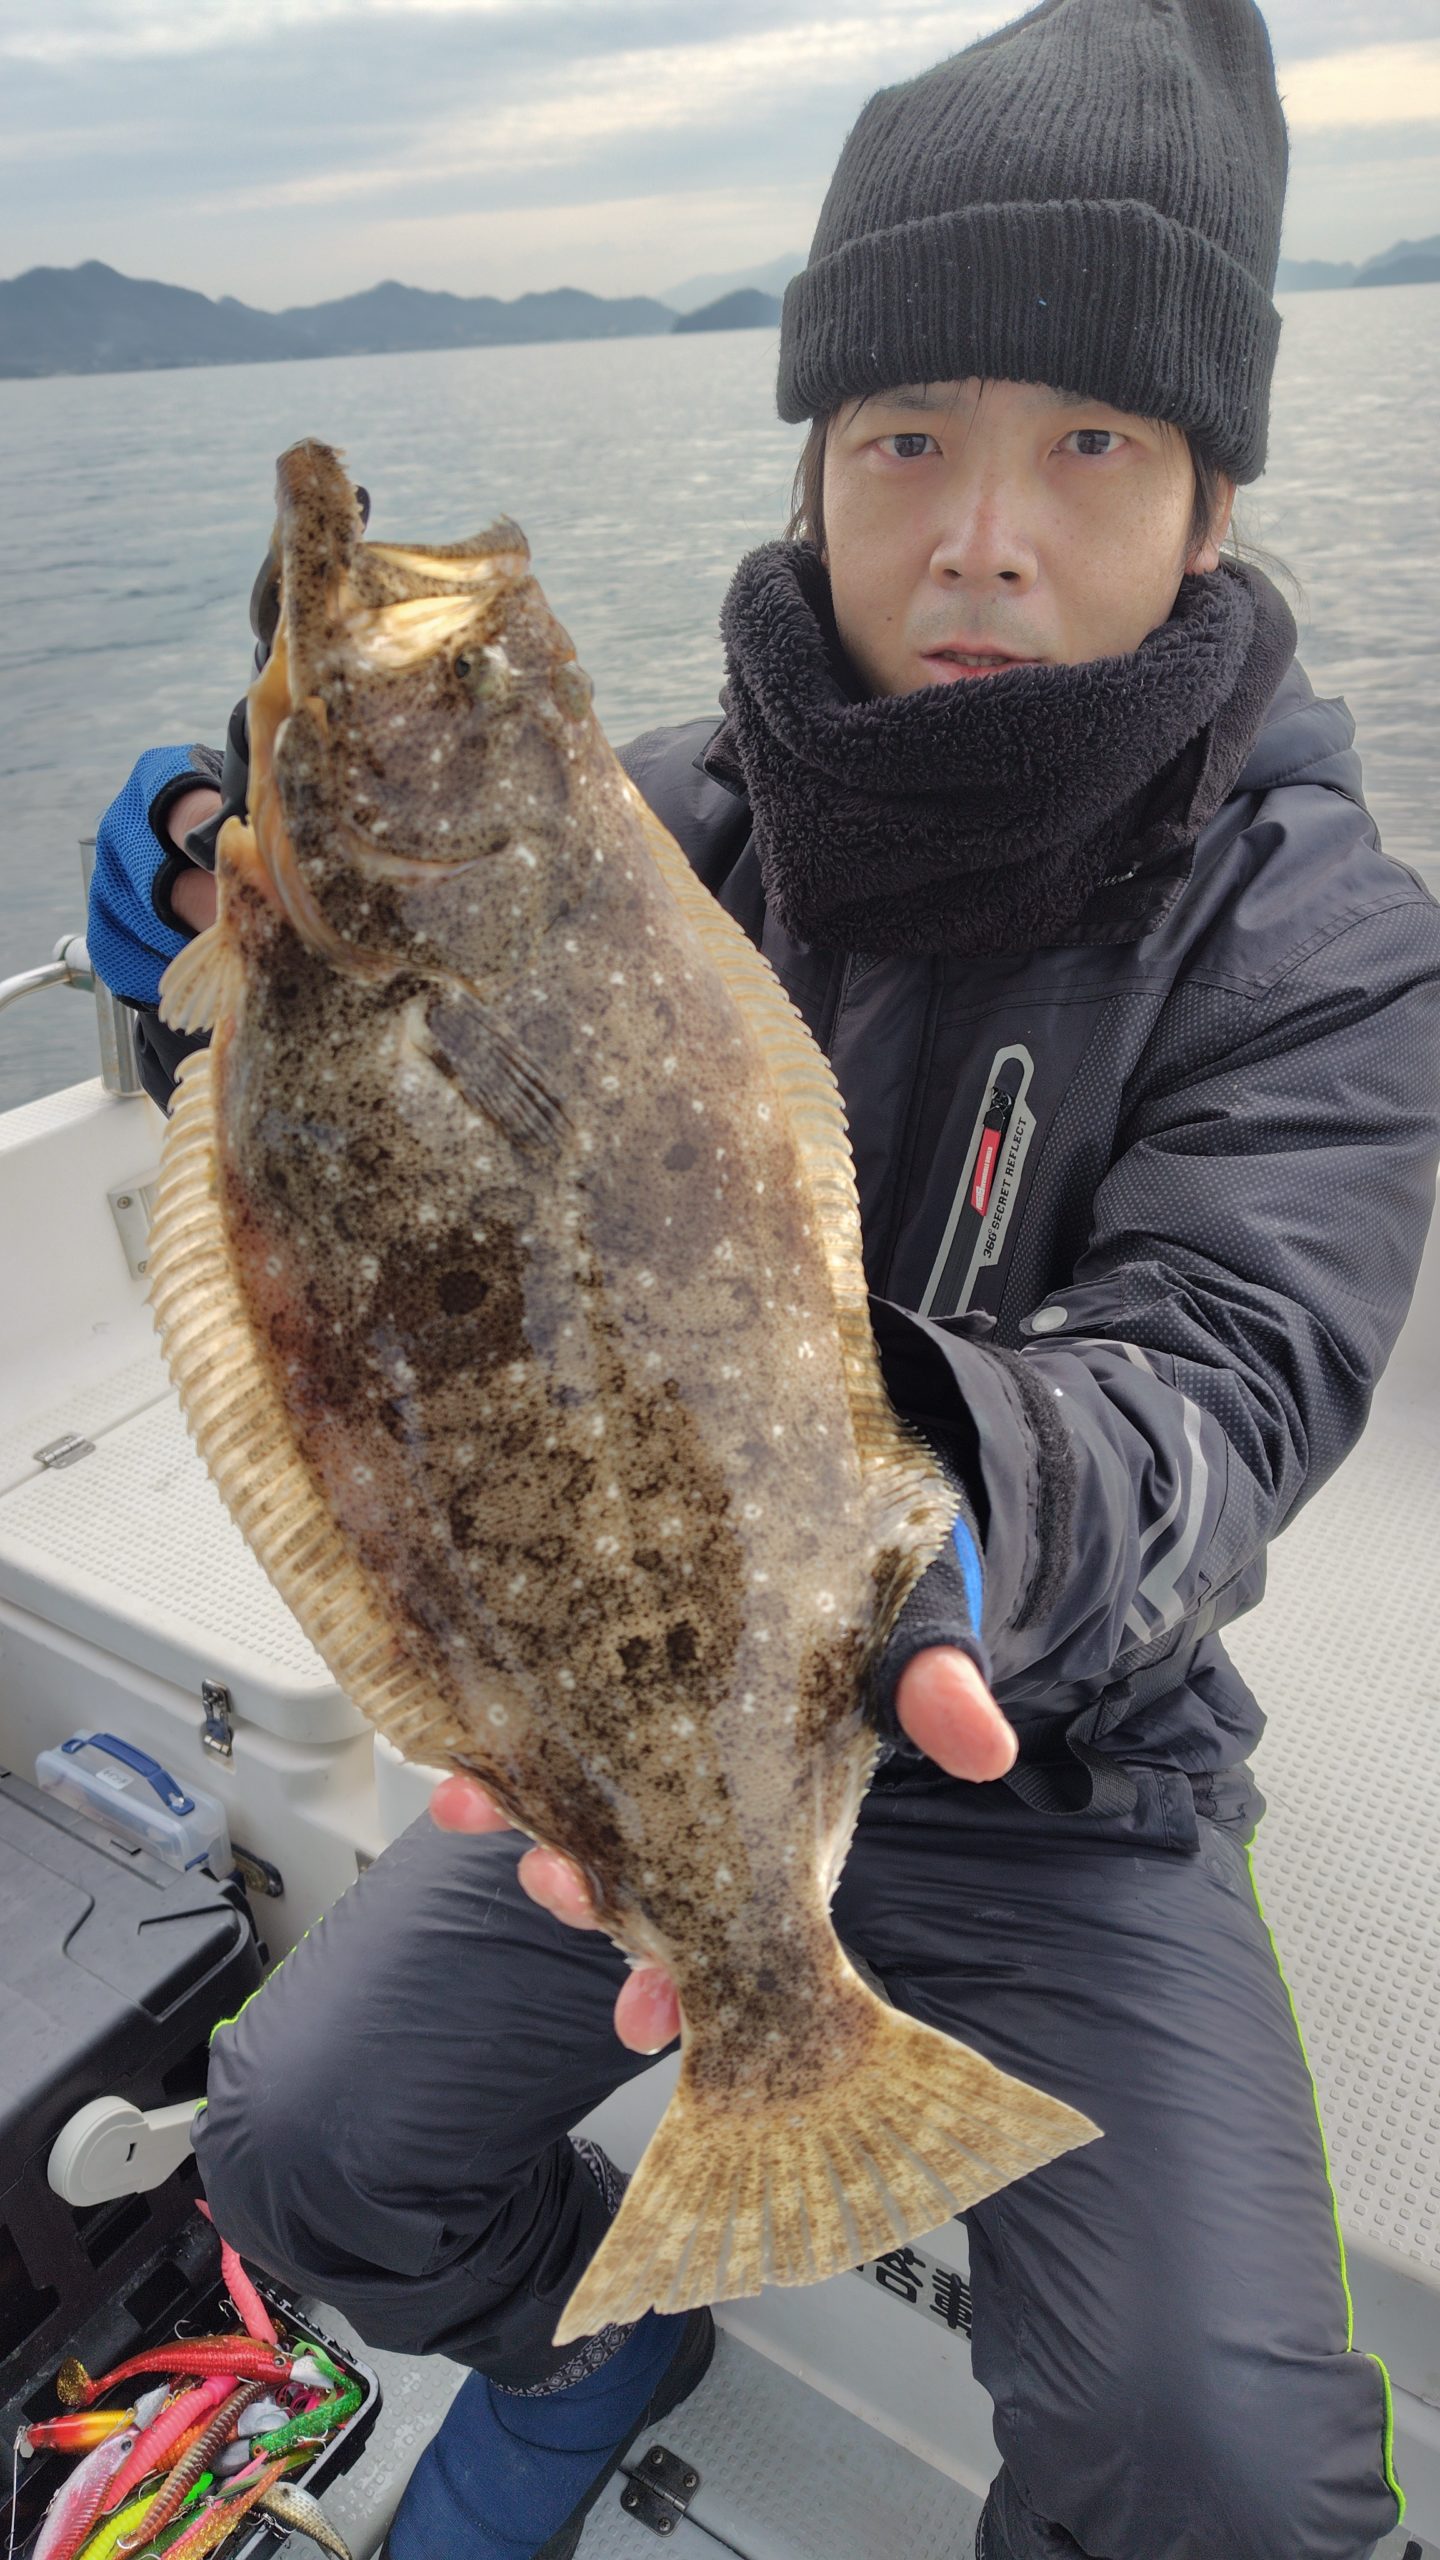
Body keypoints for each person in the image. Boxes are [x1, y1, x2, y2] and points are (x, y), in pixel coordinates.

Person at [87, 0, 1440, 2551]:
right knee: (289, 2147)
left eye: (1091, 443)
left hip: (1049, 1747)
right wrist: (219, 981)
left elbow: (1227, 1383)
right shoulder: (657, 828)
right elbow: (384, 1260)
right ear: (816, 462)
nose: (984, 532)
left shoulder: (1323, 935)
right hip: (629, 1706)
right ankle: (598, 2316)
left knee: (1239, 2476)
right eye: (904, 436)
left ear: (1214, 492)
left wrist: (920, 1513)